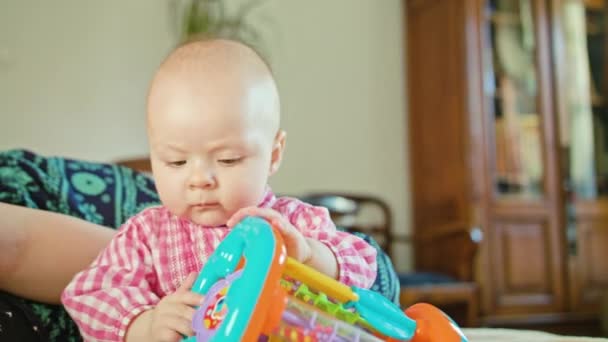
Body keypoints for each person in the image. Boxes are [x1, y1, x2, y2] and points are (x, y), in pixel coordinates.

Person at [61, 39, 378, 342]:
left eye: (228, 159)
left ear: (274, 154)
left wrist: (310, 256)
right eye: (176, 161)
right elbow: (88, 295)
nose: (199, 179)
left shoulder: (295, 222)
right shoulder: (145, 236)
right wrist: (146, 325)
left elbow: (363, 263)